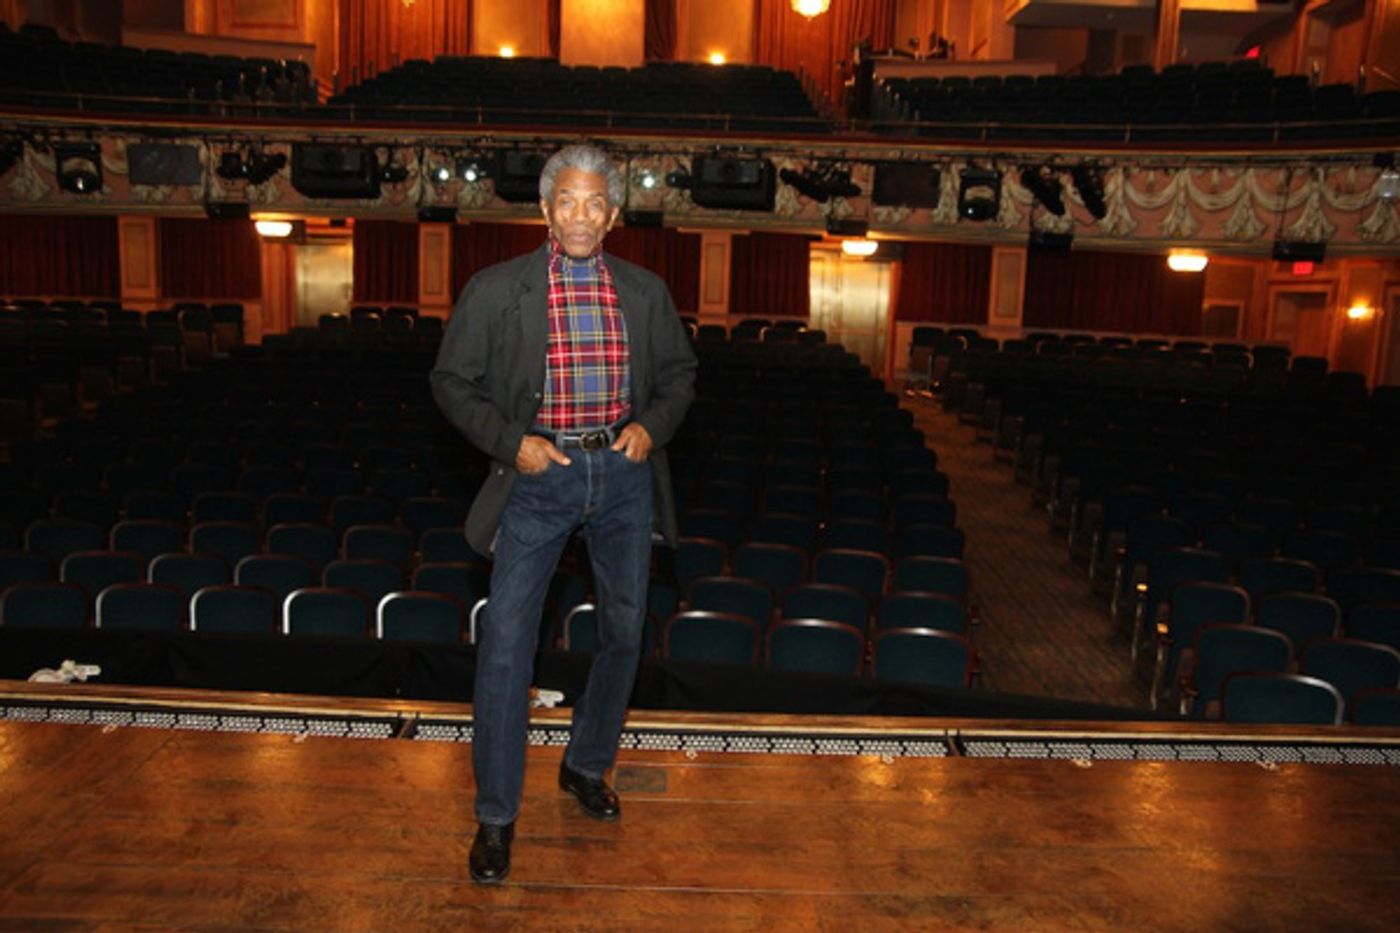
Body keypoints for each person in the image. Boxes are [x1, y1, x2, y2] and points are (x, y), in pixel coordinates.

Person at [430, 144, 697, 885]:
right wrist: (512, 443)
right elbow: (451, 381)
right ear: (545, 211)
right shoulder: (496, 289)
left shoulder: (644, 291)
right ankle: (495, 816)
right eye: (566, 202)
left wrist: (653, 424)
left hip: (622, 474)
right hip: (539, 477)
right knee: (507, 646)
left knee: (621, 630)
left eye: (594, 204)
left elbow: (680, 374)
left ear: (613, 215)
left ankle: (585, 764)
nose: (580, 216)